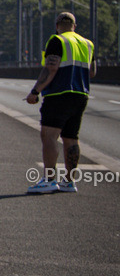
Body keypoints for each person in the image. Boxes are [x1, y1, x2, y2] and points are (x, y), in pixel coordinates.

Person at [24, 11, 96, 193]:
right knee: (71, 138)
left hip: (58, 94)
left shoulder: (57, 40)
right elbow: (92, 72)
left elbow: (51, 67)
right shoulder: (88, 44)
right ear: (74, 26)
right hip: (80, 95)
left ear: (57, 26)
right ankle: (69, 182)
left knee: (49, 136)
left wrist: (35, 91)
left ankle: (49, 179)